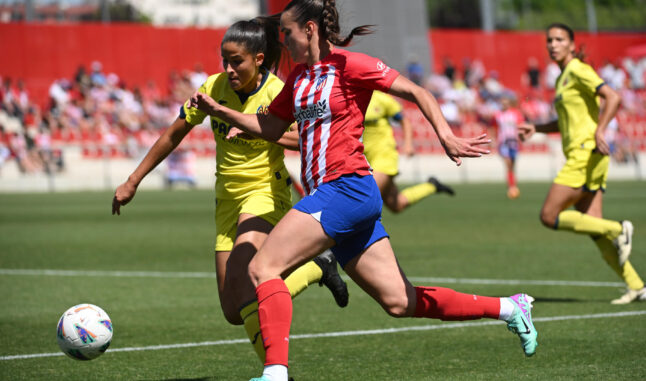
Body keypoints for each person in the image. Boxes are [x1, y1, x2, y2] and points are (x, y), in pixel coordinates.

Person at [188, 2, 539, 380]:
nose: (283, 42)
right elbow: (272, 126)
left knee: (263, 266)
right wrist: (222, 112)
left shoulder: (351, 65)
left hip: (347, 188)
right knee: (400, 301)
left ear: (309, 30)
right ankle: (509, 307)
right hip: (337, 198)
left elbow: (417, 92)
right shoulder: (300, 78)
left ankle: (275, 373)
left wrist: (446, 136)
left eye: (287, 33)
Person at [111, 17, 349, 365]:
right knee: (235, 309)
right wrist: (134, 180)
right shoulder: (213, 86)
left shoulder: (277, 92)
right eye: (225, 60)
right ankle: (318, 266)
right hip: (226, 201)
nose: (229, 68)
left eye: (237, 60)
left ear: (259, 59)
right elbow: (174, 133)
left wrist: (259, 131)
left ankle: (275, 372)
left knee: (250, 278)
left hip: (265, 194)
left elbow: (303, 137)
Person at [518, 23, 646, 305]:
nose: (552, 44)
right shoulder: (562, 78)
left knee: (549, 215)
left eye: (559, 40)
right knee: (593, 228)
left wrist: (600, 130)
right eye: (549, 40)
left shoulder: (578, 69)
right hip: (588, 155)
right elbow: (565, 121)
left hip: (584, 153)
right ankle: (636, 285)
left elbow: (612, 97)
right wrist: (537, 129)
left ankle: (618, 229)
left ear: (571, 43)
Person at [363, 90, 454, 213]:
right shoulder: (350, 99)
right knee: (397, 204)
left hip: (383, 155)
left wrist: (408, 144)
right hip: (363, 158)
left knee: (366, 198)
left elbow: (404, 121)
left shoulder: (382, 99)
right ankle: (432, 186)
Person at [492, 93, 524, 199]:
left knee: (513, 166)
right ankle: (511, 187)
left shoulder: (515, 114)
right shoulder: (498, 115)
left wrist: (520, 138)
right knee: (508, 164)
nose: (504, 105)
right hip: (504, 143)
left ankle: (513, 185)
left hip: (514, 142)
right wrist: (494, 140)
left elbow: (520, 126)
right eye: (502, 103)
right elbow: (493, 127)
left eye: (506, 103)